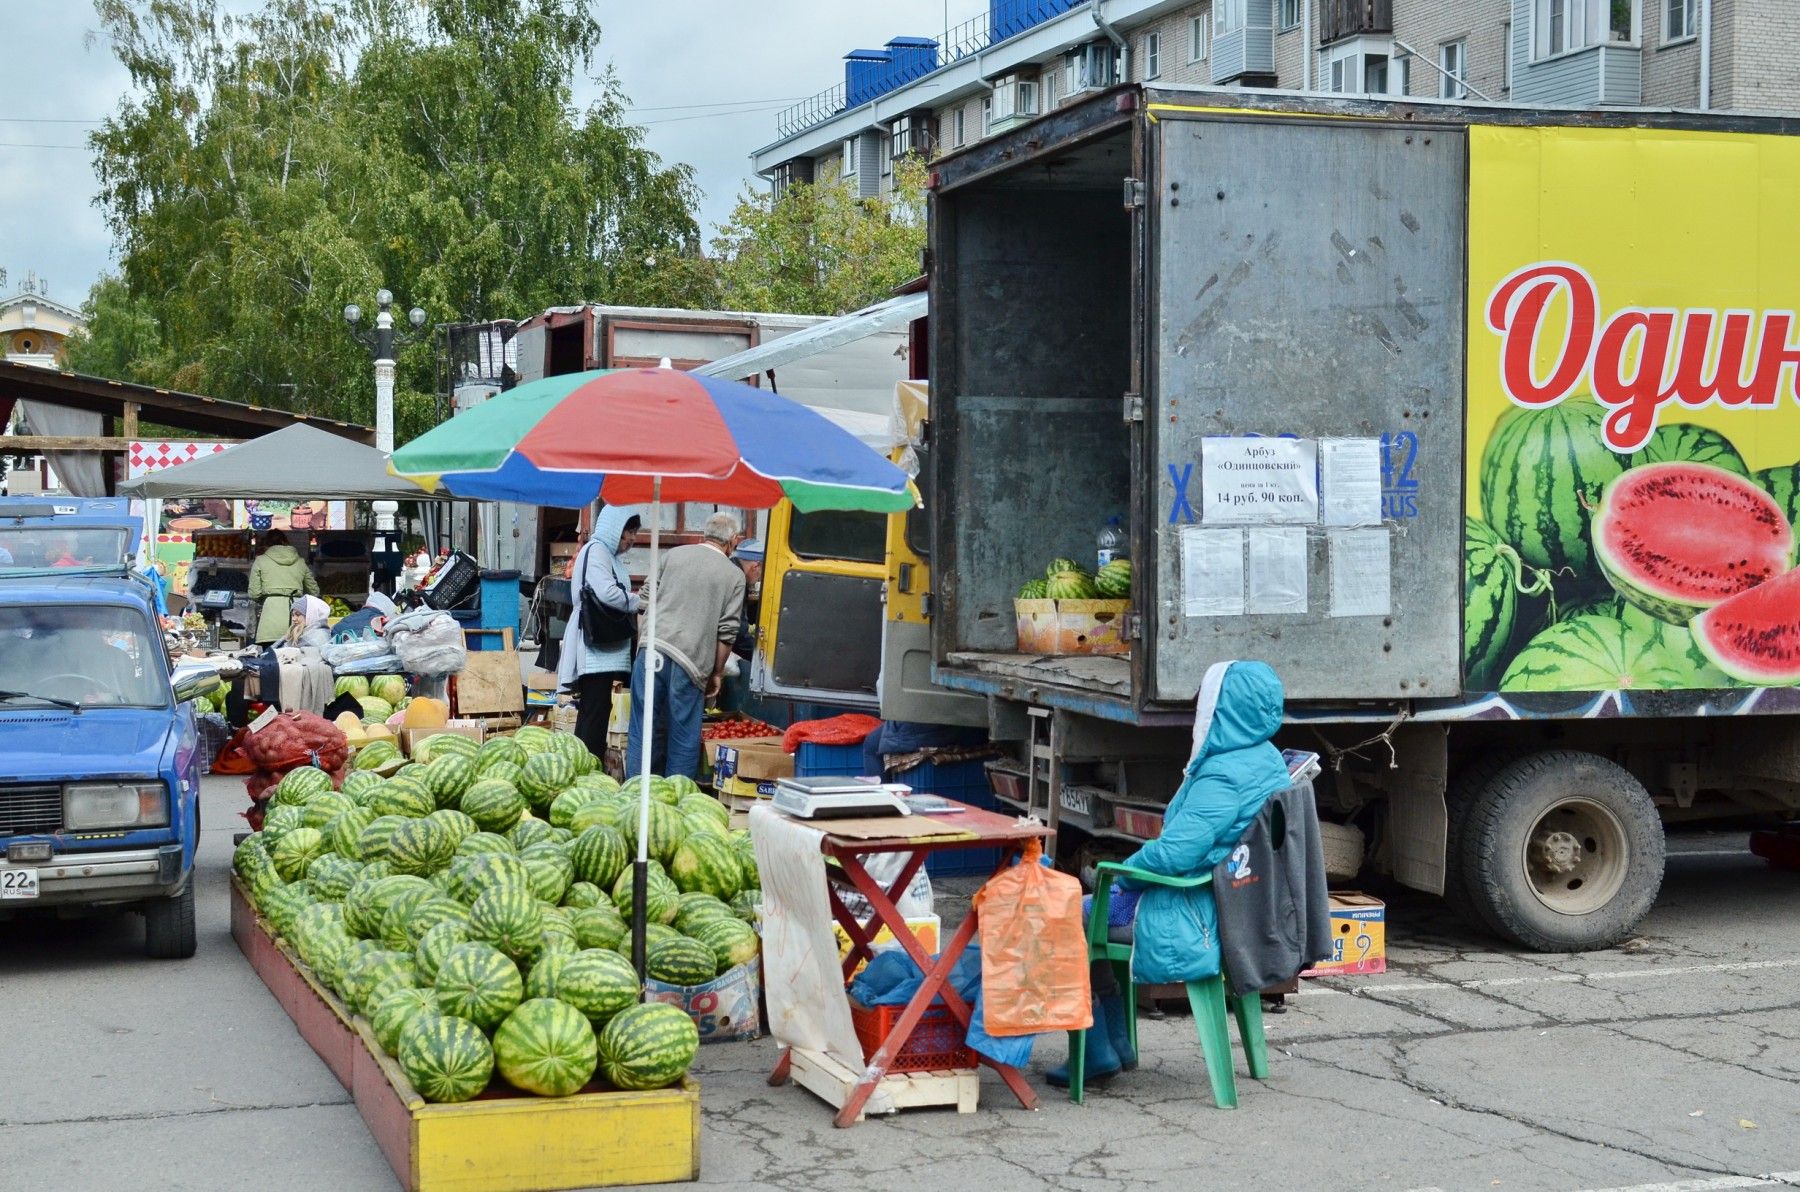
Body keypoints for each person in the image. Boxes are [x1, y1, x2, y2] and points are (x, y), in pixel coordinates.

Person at [1046, 659, 1291, 1089]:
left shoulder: (1223, 776)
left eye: (1206, 705)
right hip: (1236, 906)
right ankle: (1116, 1045)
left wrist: (1122, 874)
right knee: (1088, 909)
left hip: (1191, 913)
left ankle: (1098, 1046)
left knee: (1066, 914)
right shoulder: (1265, 759)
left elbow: (1176, 855)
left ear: (1225, 712)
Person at [625, 512, 746, 780]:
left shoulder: (673, 555)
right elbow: (727, 632)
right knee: (683, 735)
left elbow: (643, 603)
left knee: (643, 729)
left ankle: (635, 796)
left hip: (651, 649)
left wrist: (642, 644)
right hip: (690, 660)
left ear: (705, 534)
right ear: (733, 541)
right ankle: (675, 802)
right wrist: (716, 673)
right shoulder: (733, 575)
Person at [557, 504, 643, 758]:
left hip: (600, 644)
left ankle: (586, 760)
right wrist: (638, 602)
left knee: (598, 705)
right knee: (595, 707)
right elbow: (606, 593)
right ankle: (586, 761)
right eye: (629, 532)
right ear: (614, 529)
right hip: (593, 640)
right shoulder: (597, 552)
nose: (632, 539)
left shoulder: (607, 554)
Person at [247, 529, 318, 645]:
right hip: (296, 618)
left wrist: (266, 598)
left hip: (270, 617)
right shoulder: (300, 561)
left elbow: (254, 593)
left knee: (270, 660)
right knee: (295, 659)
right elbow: (314, 591)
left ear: (266, 543)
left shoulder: (261, 561)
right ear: (286, 542)